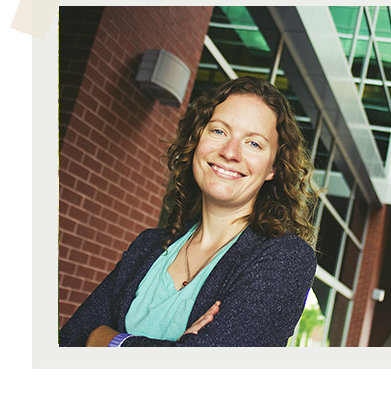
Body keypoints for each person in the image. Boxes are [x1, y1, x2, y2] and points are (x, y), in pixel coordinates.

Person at [59, 77, 319, 347]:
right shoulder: (148, 246)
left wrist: (108, 341)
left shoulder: (285, 259)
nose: (230, 152)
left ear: (273, 168)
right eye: (219, 131)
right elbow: (67, 343)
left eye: (253, 143)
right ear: (197, 139)